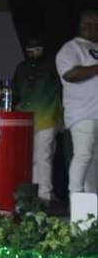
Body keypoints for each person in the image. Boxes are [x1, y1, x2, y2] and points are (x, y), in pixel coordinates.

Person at [12, 38, 64, 203]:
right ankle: (35, 193)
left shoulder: (53, 65)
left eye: (37, 49)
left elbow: (64, 88)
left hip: (47, 116)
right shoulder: (22, 68)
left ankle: (44, 194)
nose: (33, 53)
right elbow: (15, 92)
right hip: (25, 119)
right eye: (30, 50)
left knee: (43, 156)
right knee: (30, 158)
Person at [56, 11, 98, 195]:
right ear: (82, 26)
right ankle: (75, 197)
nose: (93, 27)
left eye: (96, 24)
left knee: (94, 161)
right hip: (83, 113)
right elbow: (70, 74)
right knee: (83, 155)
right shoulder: (71, 48)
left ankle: (90, 203)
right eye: (90, 23)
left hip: (96, 113)